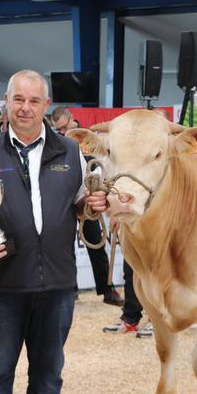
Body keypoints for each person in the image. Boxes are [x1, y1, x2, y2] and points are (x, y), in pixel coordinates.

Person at [0, 69, 106, 394]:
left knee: (48, 376)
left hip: (57, 285)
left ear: (46, 105)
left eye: (34, 101)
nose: (25, 108)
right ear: (6, 102)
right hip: (4, 284)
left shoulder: (69, 150)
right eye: (18, 99)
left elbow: (80, 203)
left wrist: (91, 206)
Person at [51, 105, 124, 306]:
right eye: (59, 129)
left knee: (96, 242)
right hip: (65, 197)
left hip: (89, 196)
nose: (63, 132)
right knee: (65, 247)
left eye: (65, 127)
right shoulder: (55, 143)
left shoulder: (91, 138)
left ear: (72, 118)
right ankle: (70, 289)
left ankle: (107, 289)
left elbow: (106, 164)